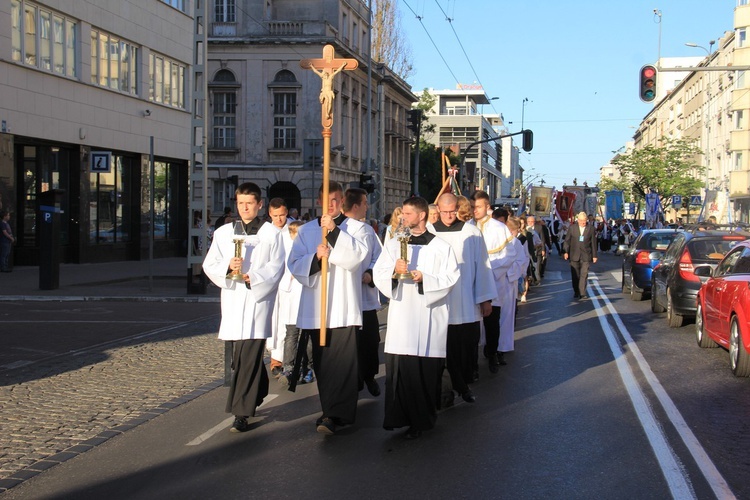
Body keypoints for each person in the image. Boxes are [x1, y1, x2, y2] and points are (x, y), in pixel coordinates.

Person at [373, 196, 459, 439]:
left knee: (422, 373)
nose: (403, 218)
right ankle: (397, 417)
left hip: (428, 318)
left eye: (408, 214)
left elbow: (450, 279)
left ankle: (422, 420)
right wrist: (392, 272)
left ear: (422, 215)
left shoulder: (441, 248)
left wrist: (425, 278)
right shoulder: (394, 244)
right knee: (400, 371)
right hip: (401, 318)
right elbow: (380, 272)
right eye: (402, 214)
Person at [288, 180, 369, 435]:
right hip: (318, 308)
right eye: (327, 200)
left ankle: (336, 414)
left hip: (344, 306)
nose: (331, 205)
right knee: (323, 365)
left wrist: (334, 233)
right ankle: (329, 410)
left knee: (343, 364)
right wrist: (315, 258)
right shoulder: (307, 230)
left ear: (342, 201)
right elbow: (294, 263)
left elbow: (357, 259)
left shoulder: (357, 229)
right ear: (319, 201)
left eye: (336, 200)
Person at [202, 183, 285, 433]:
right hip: (234, 300)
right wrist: (228, 267)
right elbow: (210, 263)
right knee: (241, 358)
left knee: (249, 354)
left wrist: (254, 277)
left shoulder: (271, 234)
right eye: (240, 203)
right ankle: (258, 391)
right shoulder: (225, 232)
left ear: (260, 205)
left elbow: (277, 266)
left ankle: (241, 412)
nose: (245, 207)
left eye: (249, 203)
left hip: (257, 300)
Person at [432, 193, 495, 403]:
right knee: (440, 350)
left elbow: (483, 266)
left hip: (465, 299)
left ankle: (462, 384)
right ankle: (445, 391)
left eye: (452, 211)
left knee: (463, 348)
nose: (449, 216)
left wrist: (485, 298)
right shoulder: (429, 233)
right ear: (438, 210)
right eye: (445, 211)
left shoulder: (472, 233)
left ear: (457, 208)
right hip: (438, 302)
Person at [469, 190, 517, 372]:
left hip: (493, 282)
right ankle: (472, 362)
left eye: (478, 207)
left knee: (491, 321)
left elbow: (509, 254)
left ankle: (492, 354)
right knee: (472, 324)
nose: (475, 210)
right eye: (472, 207)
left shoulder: (499, 228)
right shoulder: (467, 226)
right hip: (471, 283)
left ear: (487, 207)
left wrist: (488, 270)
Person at [342, 188, 383, 397]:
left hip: (365, 297)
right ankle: (354, 379)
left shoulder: (367, 231)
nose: (367, 206)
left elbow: (380, 256)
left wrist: (370, 273)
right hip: (344, 299)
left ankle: (369, 375)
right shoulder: (337, 229)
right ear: (356, 205)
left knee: (370, 340)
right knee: (350, 345)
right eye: (365, 202)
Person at [278, 221, 312, 386]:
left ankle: (308, 367)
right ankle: (289, 367)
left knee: (307, 337)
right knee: (291, 335)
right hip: (291, 298)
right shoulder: (286, 251)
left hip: (306, 297)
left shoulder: (308, 250)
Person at [267, 198, 291, 378]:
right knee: (271, 321)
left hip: (290, 282)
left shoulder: (295, 230)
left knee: (285, 321)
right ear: (270, 214)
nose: (279, 219)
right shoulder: (264, 232)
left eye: (282, 215)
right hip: (270, 283)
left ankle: (281, 358)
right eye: (275, 216)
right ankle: (274, 355)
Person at [563, 211, 598, 300]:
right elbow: (567, 241)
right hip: (574, 254)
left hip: (586, 255)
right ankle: (576, 291)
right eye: (581, 221)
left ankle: (582, 293)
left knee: (584, 274)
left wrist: (594, 255)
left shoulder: (591, 229)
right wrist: (566, 251)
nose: (583, 222)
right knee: (575, 275)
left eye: (584, 221)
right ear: (578, 220)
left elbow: (594, 243)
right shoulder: (572, 228)